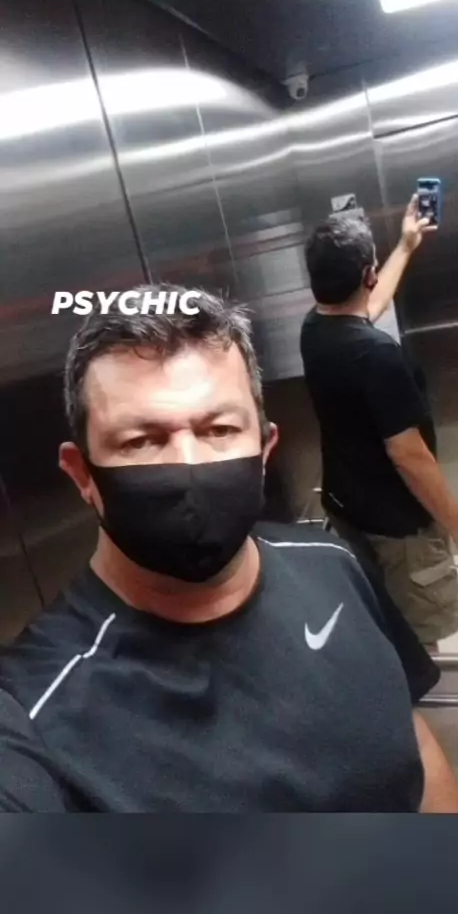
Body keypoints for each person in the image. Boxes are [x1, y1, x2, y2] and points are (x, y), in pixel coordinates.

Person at [0, 282, 455, 813]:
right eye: (140, 440)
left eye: (218, 429)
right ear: (83, 475)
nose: (188, 466)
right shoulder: (32, 714)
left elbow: (414, 748)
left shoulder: (335, 564)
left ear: (264, 448)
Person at [301, 196, 458, 651]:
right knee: (423, 637)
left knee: (387, 620)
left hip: (350, 508)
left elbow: (367, 306)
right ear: (368, 275)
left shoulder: (316, 329)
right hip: (398, 526)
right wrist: (454, 523)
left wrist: (406, 246)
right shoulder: (378, 355)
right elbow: (409, 456)